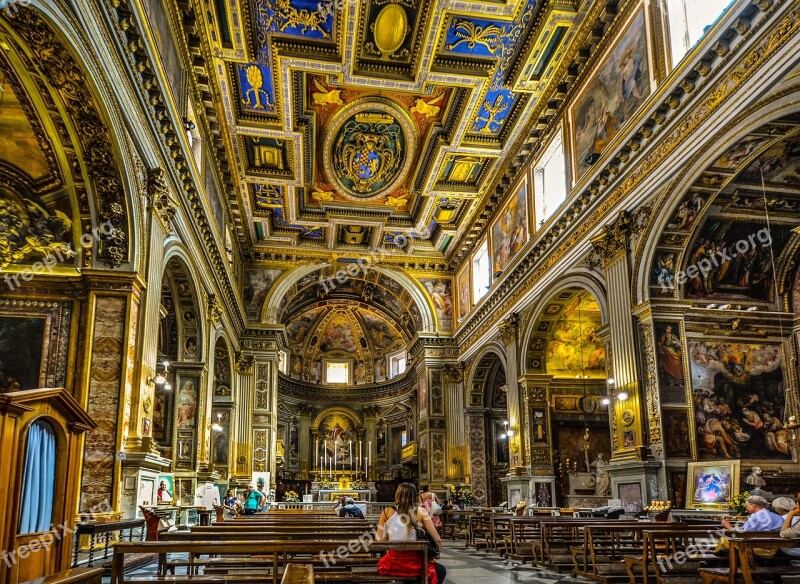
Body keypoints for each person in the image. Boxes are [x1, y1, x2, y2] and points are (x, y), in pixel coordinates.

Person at [376, 482, 445, 584]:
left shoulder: (386, 512)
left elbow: (378, 539)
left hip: (393, 562)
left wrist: (391, 536)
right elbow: (437, 539)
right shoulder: (421, 511)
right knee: (440, 570)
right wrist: (437, 554)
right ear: (414, 495)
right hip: (414, 561)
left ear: (397, 494)